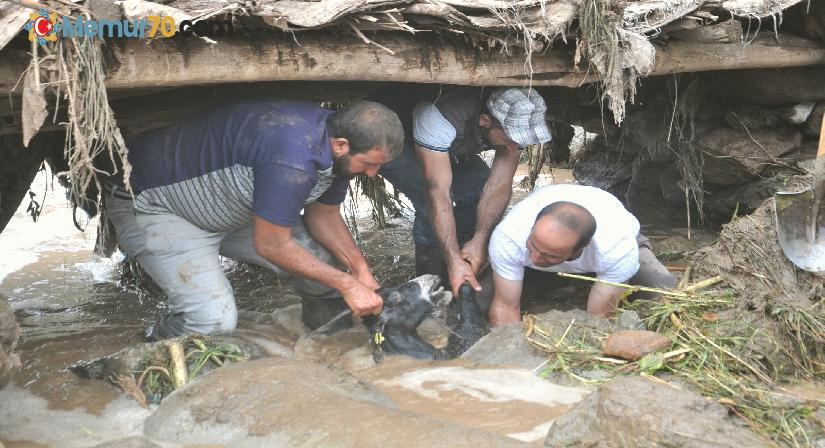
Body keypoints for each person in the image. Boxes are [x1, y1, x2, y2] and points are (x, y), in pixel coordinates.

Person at [105, 100, 404, 339]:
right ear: (341, 145)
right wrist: (349, 286)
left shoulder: (335, 152)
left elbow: (323, 214)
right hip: (156, 209)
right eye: (369, 164)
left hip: (236, 210)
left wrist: (360, 270)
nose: (372, 174)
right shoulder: (293, 158)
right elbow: (272, 245)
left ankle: (326, 346)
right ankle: (150, 343)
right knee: (212, 322)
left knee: (327, 269)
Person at [373, 85, 553, 296]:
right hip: (391, 137)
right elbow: (438, 194)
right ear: (485, 121)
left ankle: (468, 265)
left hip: (447, 141)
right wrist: (452, 260)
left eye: (519, 141)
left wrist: (480, 240)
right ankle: (432, 277)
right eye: (508, 140)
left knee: (477, 187)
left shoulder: (512, 130)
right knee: (428, 199)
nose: (514, 148)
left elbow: (498, 185)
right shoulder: (437, 117)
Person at [486, 184, 677, 326]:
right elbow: (505, 308)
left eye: (549, 256)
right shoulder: (509, 237)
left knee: (664, 291)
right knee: (480, 300)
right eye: (533, 246)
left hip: (615, 246)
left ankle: (586, 277)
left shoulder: (616, 248)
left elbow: (598, 317)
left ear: (582, 247)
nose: (535, 258)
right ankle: (558, 274)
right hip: (536, 256)